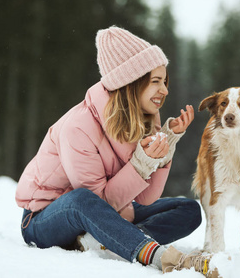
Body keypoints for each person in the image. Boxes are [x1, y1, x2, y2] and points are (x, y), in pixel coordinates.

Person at [15, 26, 218, 277]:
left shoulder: (144, 119)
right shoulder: (78, 126)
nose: (164, 90)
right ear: (130, 83)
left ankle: (106, 242)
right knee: (81, 199)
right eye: (155, 81)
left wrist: (166, 144)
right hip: (45, 218)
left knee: (188, 210)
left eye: (164, 81)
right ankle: (161, 257)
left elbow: (145, 198)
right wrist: (142, 163)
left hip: (108, 210)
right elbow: (99, 203)